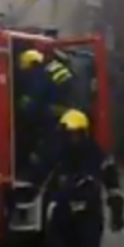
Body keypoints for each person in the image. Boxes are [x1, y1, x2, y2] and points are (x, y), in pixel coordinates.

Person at [46, 108, 124, 247]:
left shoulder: (96, 155)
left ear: (84, 133)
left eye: (77, 134)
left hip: (89, 213)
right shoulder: (56, 155)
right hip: (64, 213)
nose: (73, 138)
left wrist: (117, 210)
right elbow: (43, 179)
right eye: (69, 134)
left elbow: (112, 183)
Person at [17, 48, 76, 182]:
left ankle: (40, 178)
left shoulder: (40, 75)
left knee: (46, 148)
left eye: (27, 68)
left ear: (32, 64)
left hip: (52, 115)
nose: (26, 72)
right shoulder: (53, 68)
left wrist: (20, 110)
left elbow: (34, 98)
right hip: (65, 113)